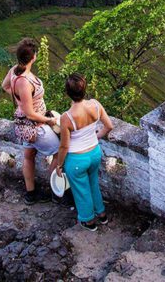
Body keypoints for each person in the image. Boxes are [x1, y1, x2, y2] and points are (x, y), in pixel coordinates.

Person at [51, 73, 114, 231]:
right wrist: (96, 136)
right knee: (93, 184)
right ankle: (102, 214)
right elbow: (109, 126)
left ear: (68, 93)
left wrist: (59, 165)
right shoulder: (95, 105)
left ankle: (89, 221)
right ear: (85, 89)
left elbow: (64, 146)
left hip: (77, 159)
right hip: (94, 153)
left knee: (81, 190)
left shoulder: (67, 117)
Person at [7, 38, 60, 204]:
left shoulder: (14, 71)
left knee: (29, 156)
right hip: (35, 126)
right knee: (59, 153)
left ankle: (31, 194)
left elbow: (5, 86)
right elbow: (30, 113)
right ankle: (55, 190)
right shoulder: (24, 81)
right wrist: (49, 121)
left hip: (23, 126)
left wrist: (20, 101)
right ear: (34, 57)